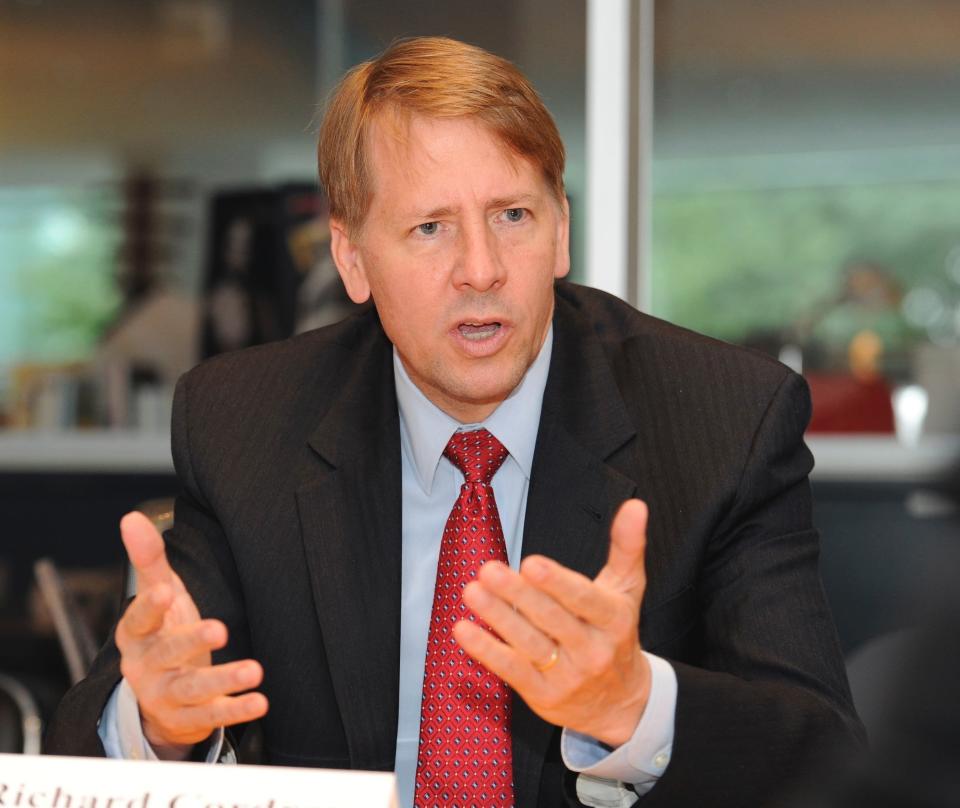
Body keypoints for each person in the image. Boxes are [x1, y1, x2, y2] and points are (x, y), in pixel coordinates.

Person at [45, 37, 863, 807]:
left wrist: (634, 706)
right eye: (430, 229)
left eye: (513, 215)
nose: (482, 270)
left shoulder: (724, 418)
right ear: (353, 259)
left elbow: (826, 760)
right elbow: (96, 732)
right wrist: (156, 724)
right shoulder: (244, 422)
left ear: (562, 231)